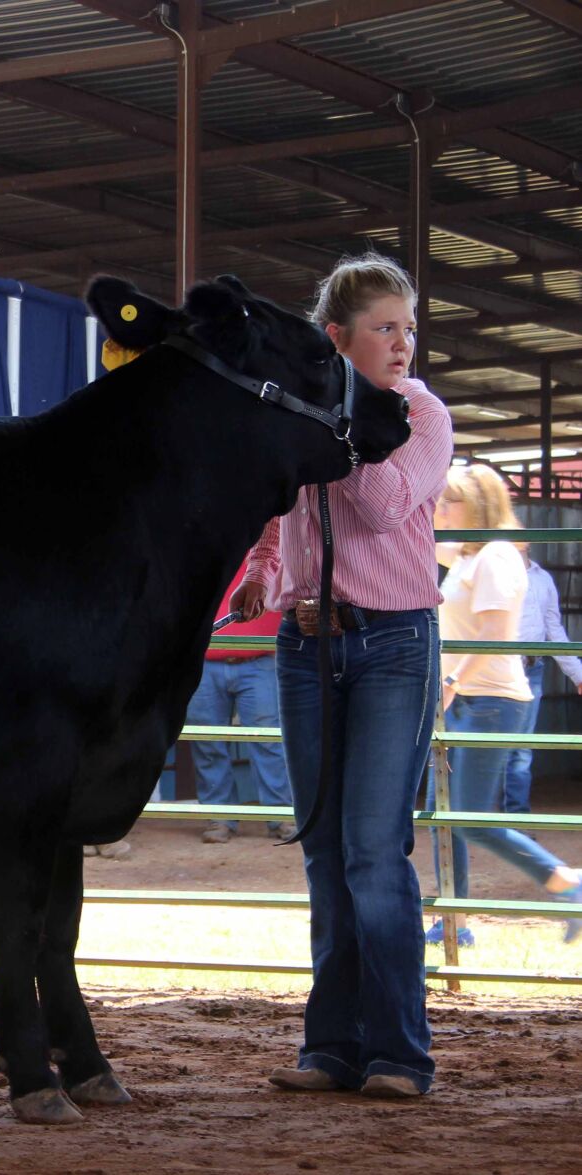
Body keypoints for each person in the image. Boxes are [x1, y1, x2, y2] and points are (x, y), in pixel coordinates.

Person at [232, 252, 450, 1099]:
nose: (401, 344)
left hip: (393, 639)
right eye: (383, 328)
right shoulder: (302, 419)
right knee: (325, 850)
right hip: (306, 641)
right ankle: (330, 1043)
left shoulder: (421, 415)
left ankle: (399, 1050)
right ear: (337, 337)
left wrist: (344, 425)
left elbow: (389, 504)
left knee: (371, 850)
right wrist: (260, 564)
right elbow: (274, 502)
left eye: (407, 329)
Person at [426, 464, 582, 948]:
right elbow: (421, 537)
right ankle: (456, 919)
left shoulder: (495, 556)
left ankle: (569, 884)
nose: (441, 509)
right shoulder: (470, 554)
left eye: (450, 501)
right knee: (443, 813)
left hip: (491, 699)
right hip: (464, 697)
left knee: (471, 817)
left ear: (478, 506)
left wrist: (451, 680)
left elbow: (495, 637)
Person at [191, 567, 294, 844]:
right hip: (206, 659)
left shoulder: (268, 538)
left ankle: (280, 815)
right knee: (207, 741)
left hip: (259, 656)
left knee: (268, 739)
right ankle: (220, 817)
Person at [504, 557, 582, 816]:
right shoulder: (493, 570)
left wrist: (577, 674)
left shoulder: (542, 578)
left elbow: (553, 629)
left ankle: (516, 819)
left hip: (531, 667)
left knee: (520, 748)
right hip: (500, 668)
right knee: (492, 745)